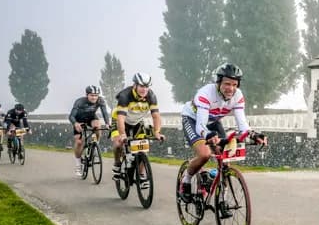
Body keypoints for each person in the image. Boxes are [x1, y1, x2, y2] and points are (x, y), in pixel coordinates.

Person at [177, 63, 262, 200]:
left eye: (235, 85)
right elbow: (201, 126)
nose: (231, 88)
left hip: (213, 122)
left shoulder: (238, 96)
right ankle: (186, 180)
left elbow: (242, 124)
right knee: (205, 154)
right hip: (193, 120)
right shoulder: (206, 93)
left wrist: (253, 134)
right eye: (227, 84)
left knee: (226, 160)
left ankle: (222, 197)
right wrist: (208, 136)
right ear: (218, 82)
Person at [111, 73, 164, 177]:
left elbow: (156, 116)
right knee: (118, 144)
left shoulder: (151, 96)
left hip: (137, 122)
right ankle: (117, 163)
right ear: (135, 85)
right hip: (120, 121)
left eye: (146, 87)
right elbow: (121, 118)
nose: (144, 89)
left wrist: (157, 132)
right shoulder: (125, 96)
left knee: (143, 149)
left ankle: (141, 175)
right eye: (141, 86)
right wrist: (122, 134)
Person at [68, 85, 111, 177]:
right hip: (78, 120)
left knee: (98, 126)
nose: (94, 97)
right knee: (79, 142)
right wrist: (75, 124)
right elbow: (71, 116)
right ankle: (78, 164)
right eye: (92, 95)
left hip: (91, 118)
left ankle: (96, 144)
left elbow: (104, 112)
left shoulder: (100, 100)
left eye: (96, 95)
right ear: (87, 95)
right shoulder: (80, 102)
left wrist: (107, 123)